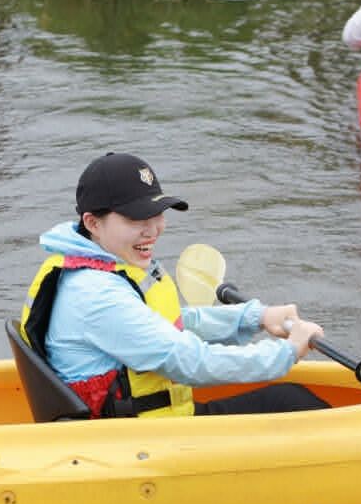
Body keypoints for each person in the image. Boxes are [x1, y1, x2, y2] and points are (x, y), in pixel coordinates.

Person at [19, 151, 330, 419]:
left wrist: (256, 317)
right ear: (93, 223)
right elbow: (190, 362)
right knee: (292, 402)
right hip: (137, 442)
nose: (153, 230)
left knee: (288, 399)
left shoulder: (100, 266)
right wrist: (287, 352)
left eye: (157, 213)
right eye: (135, 219)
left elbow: (174, 324)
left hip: (148, 425)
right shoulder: (95, 294)